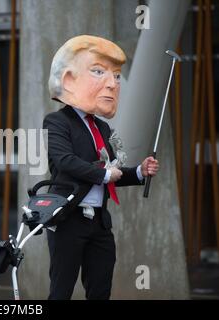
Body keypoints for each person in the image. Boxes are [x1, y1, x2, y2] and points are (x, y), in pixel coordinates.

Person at [43, 35, 159, 300]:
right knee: (61, 290)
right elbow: (65, 161)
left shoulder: (103, 127)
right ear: (69, 80)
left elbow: (113, 171)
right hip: (69, 221)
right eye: (98, 72)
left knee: (100, 289)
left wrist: (139, 171)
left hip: (99, 223)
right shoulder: (56, 122)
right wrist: (104, 173)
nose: (112, 84)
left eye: (117, 77)